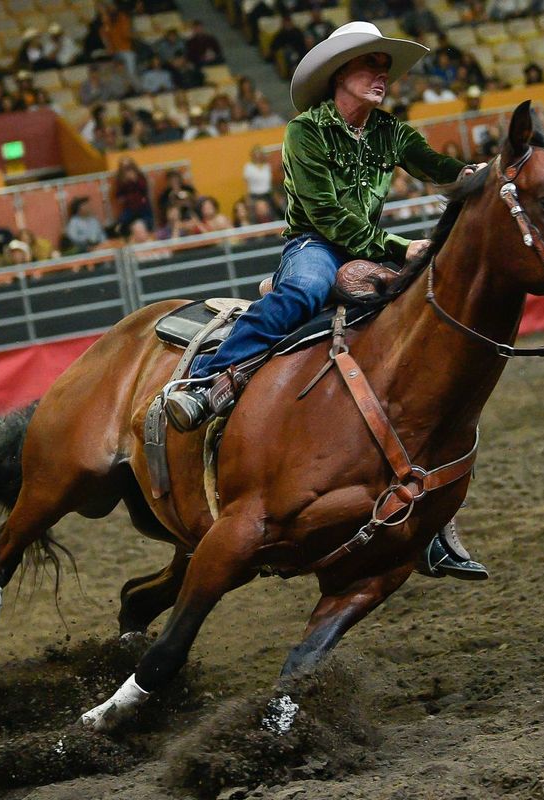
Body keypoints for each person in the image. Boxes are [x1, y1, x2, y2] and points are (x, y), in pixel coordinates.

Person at [163, 21, 486, 579]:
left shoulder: (391, 133)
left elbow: (440, 169)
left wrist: (478, 176)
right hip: (315, 243)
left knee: (424, 342)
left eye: (385, 68)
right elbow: (328, 216)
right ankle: (204, 381)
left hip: (371, 248)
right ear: (341, 74)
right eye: (371, 66)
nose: (382, 76)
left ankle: (434, 523)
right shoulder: (305, 132)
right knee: (305, 289)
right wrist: (400, 246)